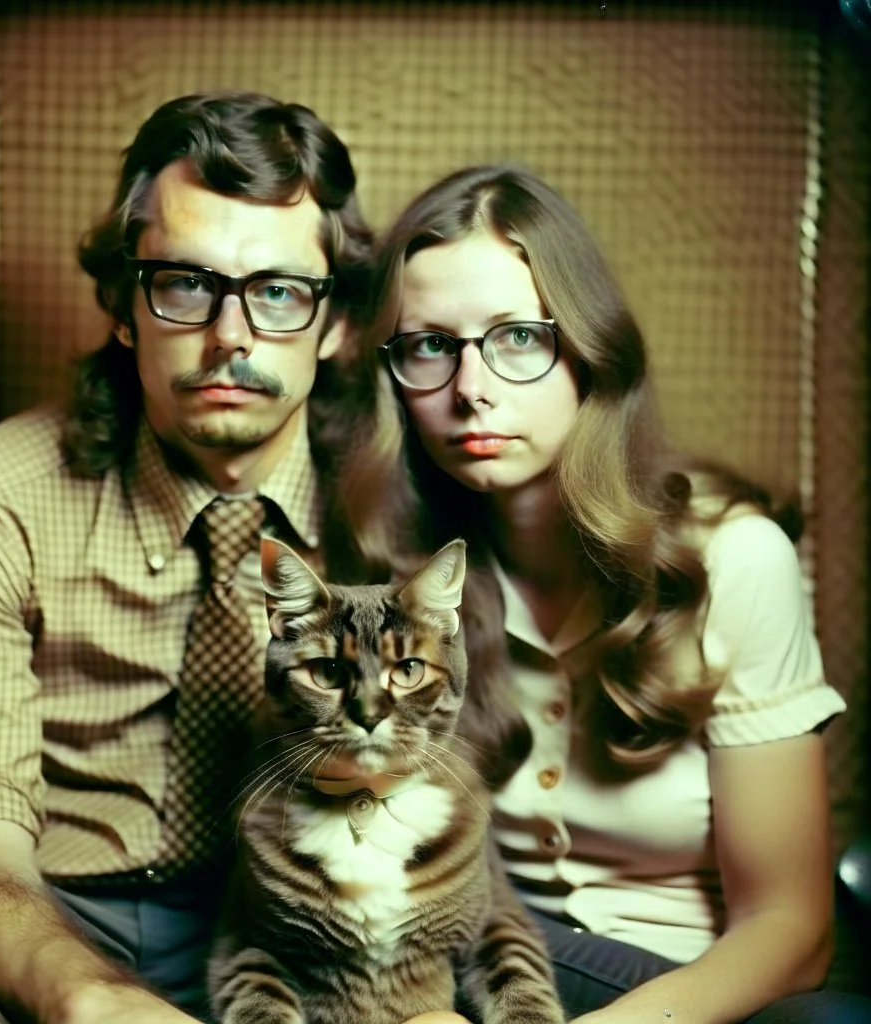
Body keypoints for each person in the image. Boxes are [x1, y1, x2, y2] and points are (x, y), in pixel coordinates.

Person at [0, 90, 382, 1024]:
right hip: (43, 922)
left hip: (287, 941)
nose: (230, 338)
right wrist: (93, 999)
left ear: (334, 324)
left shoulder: (392, 503)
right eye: (183, 284)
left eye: (280, 292)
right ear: (125, 307)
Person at [344, 163, 870, 1024]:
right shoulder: (396, 581)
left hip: (685, 996)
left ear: (588, 348)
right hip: (477, 975)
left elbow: (792, 929)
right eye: (431, 346)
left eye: (517, 337)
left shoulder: (734, 561)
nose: (471, 392)